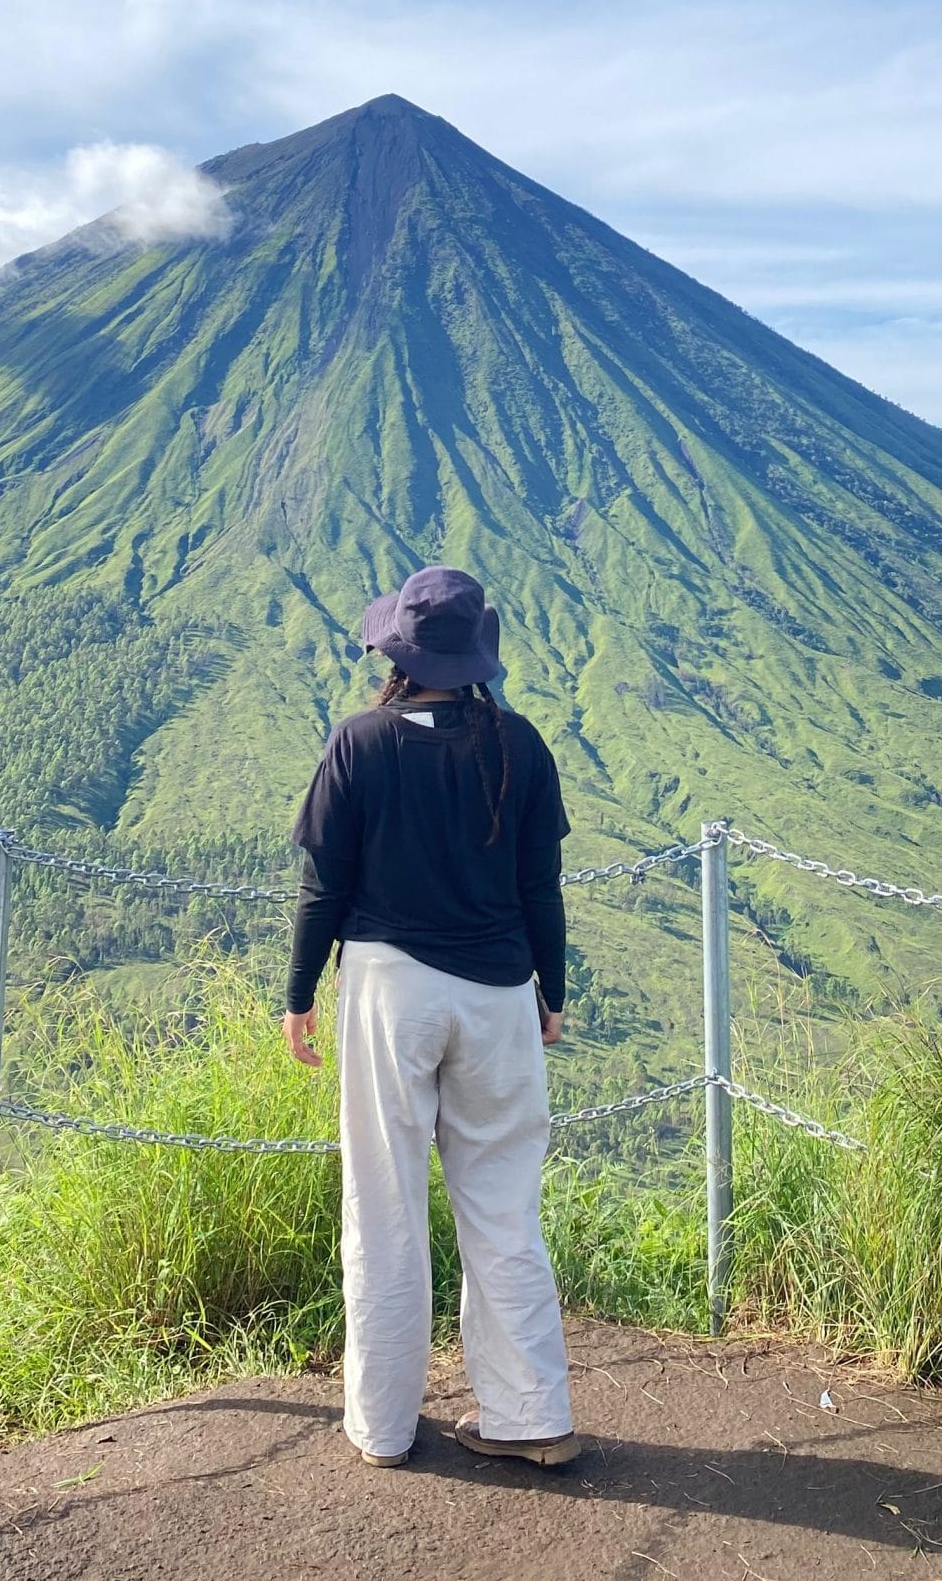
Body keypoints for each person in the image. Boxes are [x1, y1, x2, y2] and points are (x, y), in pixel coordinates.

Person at [283, 563, 580, 1471]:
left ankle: (383, 1426)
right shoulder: (517, 745)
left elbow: (322, 887)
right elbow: (542, 889)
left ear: (399, 650)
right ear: (477, 654)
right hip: (497, 993)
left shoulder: (360, 742)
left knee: (383, 1205)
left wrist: (299, 996)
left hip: (389, 990)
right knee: (503, 1209)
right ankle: (535, 1419)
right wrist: (552, 994)